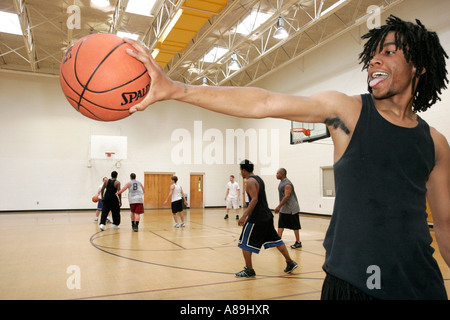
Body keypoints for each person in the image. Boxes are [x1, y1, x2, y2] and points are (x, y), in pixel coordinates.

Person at [125, 15, 450, 299]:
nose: (376, 60)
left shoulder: (435, 143)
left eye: (389, 52)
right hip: (353, 284)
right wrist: (177, 89)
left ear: (419, 65)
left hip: (422, 285)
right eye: (374, 53)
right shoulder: (348, 112)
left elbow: (446, 226)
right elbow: (263, 102)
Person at [234, 160, 298, 277]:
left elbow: (254, 199)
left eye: (241, 170)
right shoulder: (259, 179)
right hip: (267, 216)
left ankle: (249, 269)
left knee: (244, 242)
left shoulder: (250, 181)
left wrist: (244, 215)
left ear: (243, 170)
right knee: (276, 240)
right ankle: (290, 262)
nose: (241, 173)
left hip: (257, 217)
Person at [274, 168, 302, 249]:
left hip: (292, 208)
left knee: (295, 225)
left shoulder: (287, 184)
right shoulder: (282, 182)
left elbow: (287, 196)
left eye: (277, 173)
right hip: (284, 208)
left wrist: (279, 206)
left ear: (281, 174)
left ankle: (298, 242)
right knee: (281, 224)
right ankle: (278, 241)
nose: (276, 175)